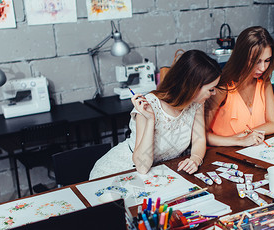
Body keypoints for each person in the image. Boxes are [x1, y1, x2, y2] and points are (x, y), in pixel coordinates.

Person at [89, 50, 221, 179]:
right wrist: (150, 120)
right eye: (211, 89)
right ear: (193, 87)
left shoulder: (196, 103)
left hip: (158, 173)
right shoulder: (149, 106)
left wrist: (195, 159)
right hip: (121, 171)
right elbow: (142, 167)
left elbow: (199, 139)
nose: (214, 93)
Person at [206, 26, 274, 147]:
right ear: (241, 57)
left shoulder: (264, 82)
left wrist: (248, 135)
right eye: (256, 61)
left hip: (254, 151)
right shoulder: (222, 87)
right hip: (222, 154)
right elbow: (200, 135)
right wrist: (240, 140)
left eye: (267, 60)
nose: (263, 68)